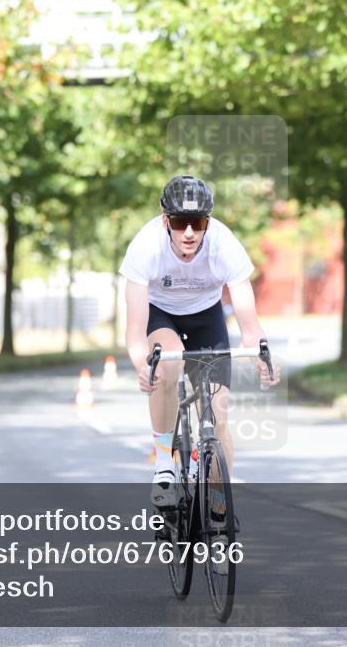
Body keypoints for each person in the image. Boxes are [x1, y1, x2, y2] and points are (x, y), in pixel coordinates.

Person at [119, 174, 281, 508]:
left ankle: (217, 500)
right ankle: (164, 463)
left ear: (208, 222)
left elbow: (250, 325)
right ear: (166, 221)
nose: (190, 232)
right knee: (171, 359)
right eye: (180, 223)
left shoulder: (225, 244)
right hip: (160, 313)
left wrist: (263, 359)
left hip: (207, 316)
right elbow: (135, 330)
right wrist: (141, 366)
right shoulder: (145, 246)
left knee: (219, 415)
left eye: (198, 223)